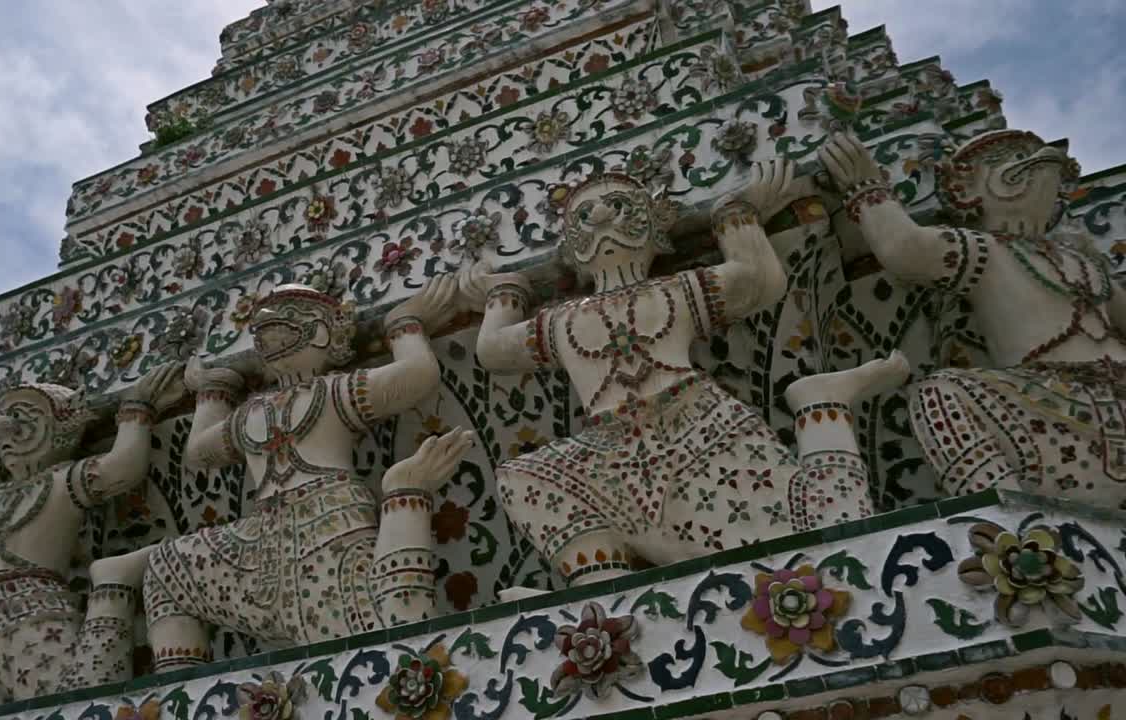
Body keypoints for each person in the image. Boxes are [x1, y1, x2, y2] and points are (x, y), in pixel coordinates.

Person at [461, 161, 909, 590]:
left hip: (697, 426)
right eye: (585, 214)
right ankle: (604, 596)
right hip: (610, 453)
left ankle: (821, 407)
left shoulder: (676, 290)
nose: (600, 216)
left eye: (618, 206)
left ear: (656, 228)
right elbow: (491, 350)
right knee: (525, 476)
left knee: (824, 542)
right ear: (572, 246)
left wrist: (735, 212)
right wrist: (505, 290)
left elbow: (758, 279)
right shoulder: (560, 321)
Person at [141, 279, 473, 672]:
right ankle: (178, 692)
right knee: (167, 566)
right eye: (264, 334)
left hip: (330, 532)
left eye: (283, 328)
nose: (270, 341)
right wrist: (213, 389)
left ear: (320, 333)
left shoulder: (334, 392)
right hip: (257, 543)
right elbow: (197, 453)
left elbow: (418, 374)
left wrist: (404, 322)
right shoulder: (251, 413)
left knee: (378, 649)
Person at [819, 130, 1126, 506]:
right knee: (939, 395)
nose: (1029, 163)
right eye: (1006, 160)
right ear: (967, 191)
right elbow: (906, 249)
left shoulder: (1087, 264)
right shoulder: (983, 249)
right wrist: (864, 187)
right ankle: (1011, 517)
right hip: (1054, 404)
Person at [0, 364, 184, 717]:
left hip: (27, 610)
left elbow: (122, 467)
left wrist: (137, 406)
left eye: (25, 418)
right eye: (3, 422)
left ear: (60, 426)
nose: (7, 430)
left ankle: (112, 587)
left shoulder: (62, 481)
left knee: (79, 704)